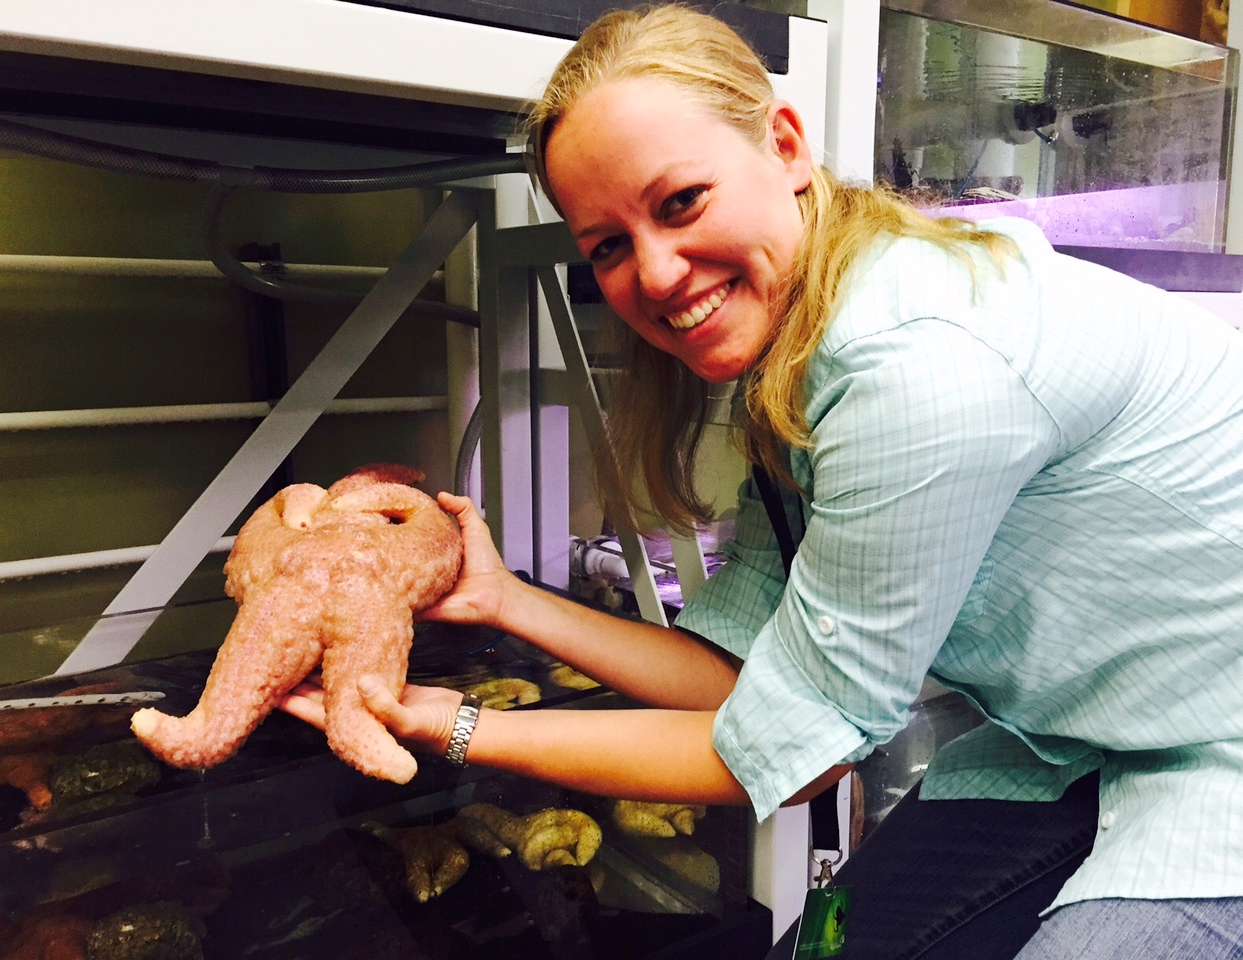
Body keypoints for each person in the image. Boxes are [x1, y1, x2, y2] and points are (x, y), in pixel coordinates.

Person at [282, 5, 1243, 957]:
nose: (654, 274)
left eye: (680, 202)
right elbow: (737, 670)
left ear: (784, 146)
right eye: (607, 245)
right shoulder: (800, 354)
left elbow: (804, 756)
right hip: (1089, 737)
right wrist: (507, 603)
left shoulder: (911, 363)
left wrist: (451, 726)